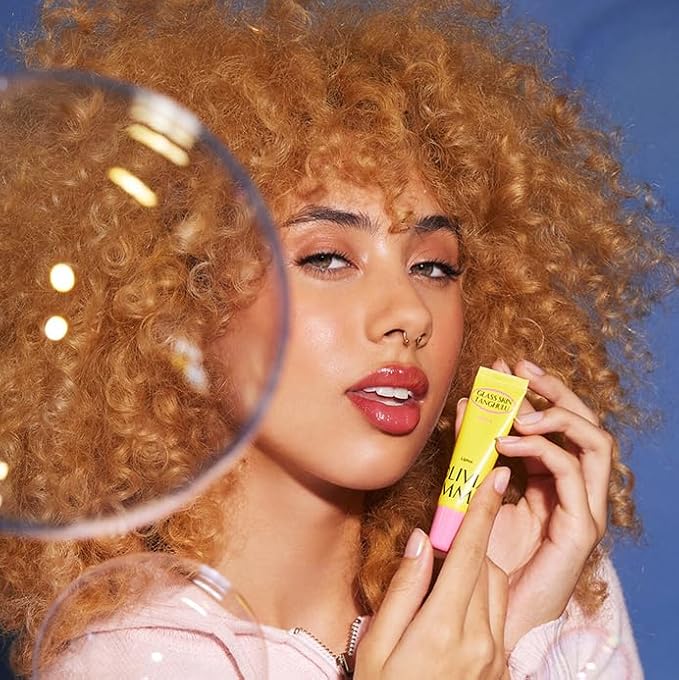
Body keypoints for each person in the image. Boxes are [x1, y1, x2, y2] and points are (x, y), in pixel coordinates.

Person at [0, 0, 675, 677]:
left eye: (434, 266)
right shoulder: (130, 660)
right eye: (327, 257)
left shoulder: (542, 581)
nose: (409, 313)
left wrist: (522, 623)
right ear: (178, 300)